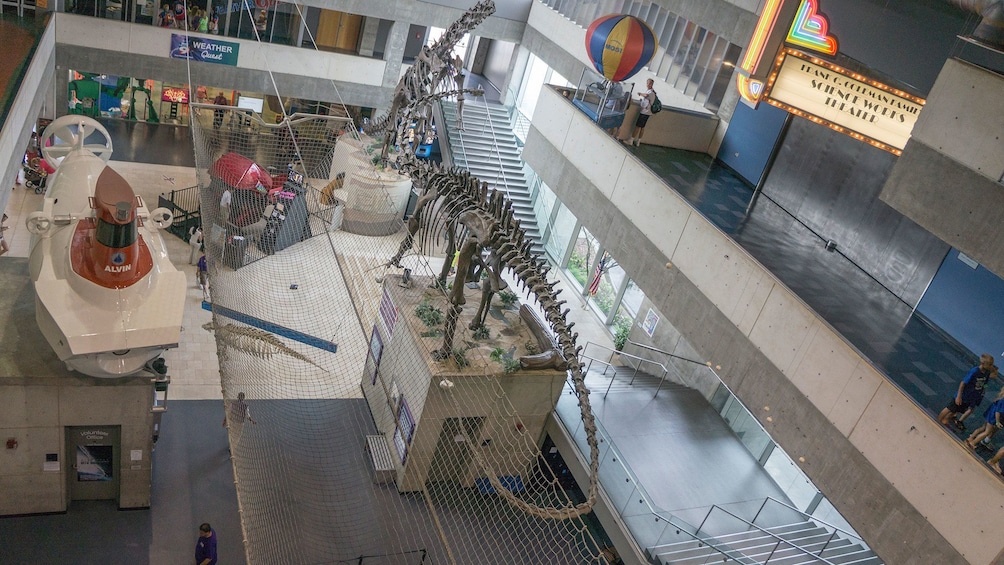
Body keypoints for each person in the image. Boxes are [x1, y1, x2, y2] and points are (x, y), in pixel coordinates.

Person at [938, 353, 996, 427]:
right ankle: (938, 420)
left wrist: (982, 389)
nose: (991, 367)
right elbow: (963, 383)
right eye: (989, 364)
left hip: (970, 397)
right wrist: (958, 396)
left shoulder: (987, 373)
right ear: (983, 363)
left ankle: (945, 420)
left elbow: (985, 383)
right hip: (963, 395)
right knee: (949, 408)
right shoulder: (974, 371)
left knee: (956, 410)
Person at [622, 78, 655, 147]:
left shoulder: (651, 92)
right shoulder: (650, 92)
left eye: (649, 83)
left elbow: (646, 95)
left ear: (652, 84)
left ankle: (631, 139)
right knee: (642, 127)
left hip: (645, 112)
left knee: (638, 126)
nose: (648, 85)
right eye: (647, 83)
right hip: (647, 112)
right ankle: (638, 141)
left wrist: (640, 94)